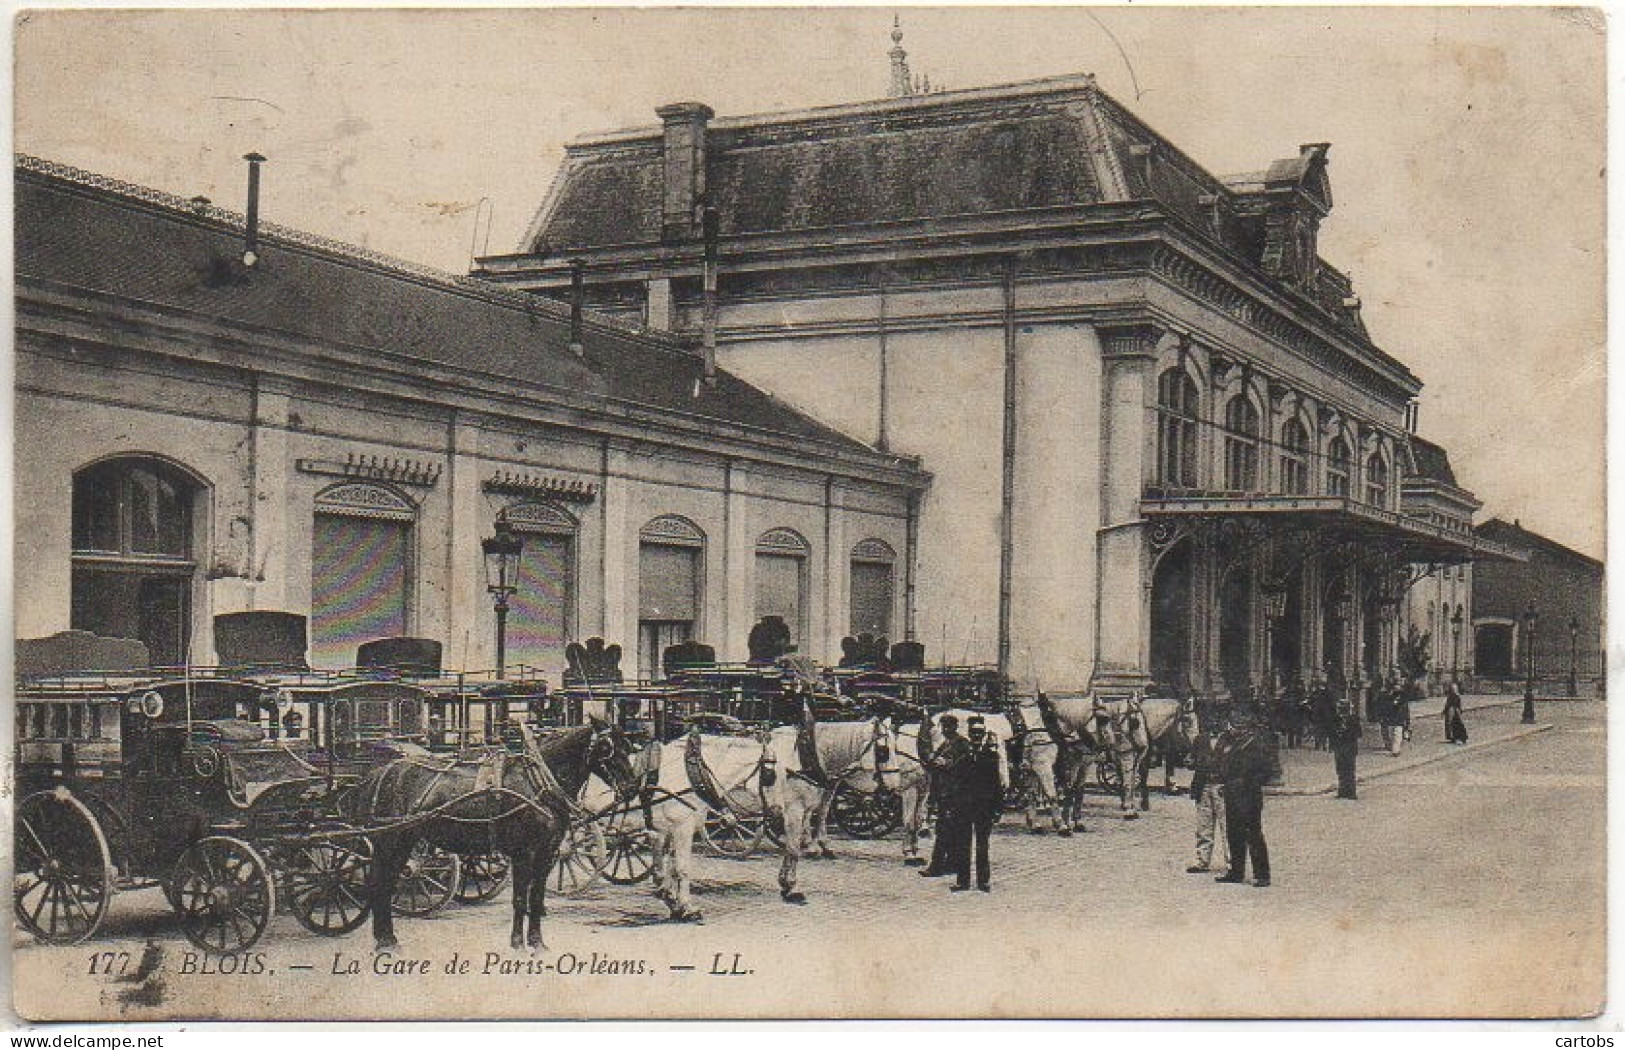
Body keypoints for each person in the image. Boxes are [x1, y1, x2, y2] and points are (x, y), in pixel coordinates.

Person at [1215, 705, 1274, 888]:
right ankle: (1236, 871)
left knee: (1253, 833)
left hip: (1249, 795)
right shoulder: (1229, 742)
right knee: (1234, 833)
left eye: (1234, 726)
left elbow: (1266, 771)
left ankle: (1262, 875)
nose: (1230, 729)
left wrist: (1249, 784)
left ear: (1243, 728)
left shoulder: (1256, 744)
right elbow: (1221, 762)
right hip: (1232, 792)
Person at [955, 715, 1004, 893]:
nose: (976, 737)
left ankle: (983, 881)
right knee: (963, 844)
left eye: (979, 733)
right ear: (969, 735)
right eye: (973, 733)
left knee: (983, 845)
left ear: (983, 735)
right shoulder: (962, 756)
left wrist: (998, 809)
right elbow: (956, 783)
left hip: (984, 807)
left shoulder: (991, 756)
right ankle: (963, 881)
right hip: (964, 807)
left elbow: (996, 784)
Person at [919, 713, 971, 879]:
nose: (946, 730)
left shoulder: (962, 743)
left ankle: (936, 866)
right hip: (943, 793)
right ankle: (951, 863)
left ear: (954, 727)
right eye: (943, 727)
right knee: (949, 830)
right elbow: (933, 763)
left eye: (948, 727)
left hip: (955, 794)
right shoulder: (945, 744)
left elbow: (965, 766)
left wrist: (947, 764)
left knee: (945, 831)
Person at [1185, 707, 1228, 874]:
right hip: (1203, 786)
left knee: (1227, 826)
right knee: (1204, 826)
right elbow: (1192, 760)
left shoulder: (1229, 740)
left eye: (1217, 720)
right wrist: (1191, 761)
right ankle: (1202, 860)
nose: (1214, 723)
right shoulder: (1200, 740)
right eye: (1210, 720)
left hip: (1222, 787)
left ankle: (1231, 862)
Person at [1331, 697, 1362, 799]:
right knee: (1340, 770)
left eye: (1341, 708)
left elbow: (1358, 733)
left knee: (1349, 770)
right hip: (1339, 747)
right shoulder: (1335, 719)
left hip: (1349, 747)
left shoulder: (1353, 719)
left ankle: (1351, 792)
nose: (1339, 710)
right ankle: (1342, 791)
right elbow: (1331, 732)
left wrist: (1347, 733)